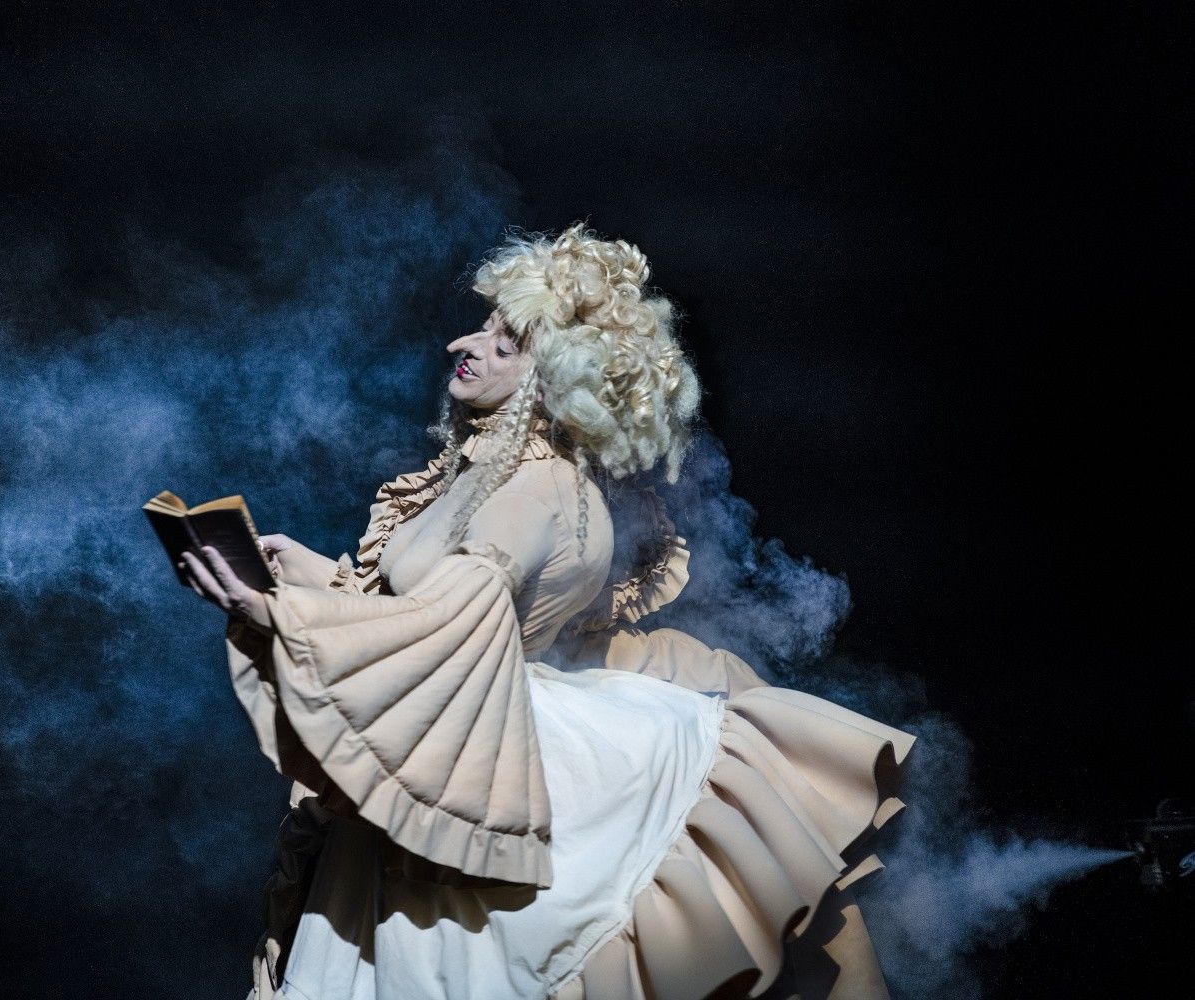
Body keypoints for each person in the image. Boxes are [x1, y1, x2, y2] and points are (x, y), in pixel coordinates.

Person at [178, 223, 915, 1000]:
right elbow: (419, 616)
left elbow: (448, 627)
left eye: (508, 342)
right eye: (484, 327)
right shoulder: (486, 476)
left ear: (560, 379)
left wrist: (283, 616)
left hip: (490, 757)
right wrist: (307, 581)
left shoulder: (539, 489)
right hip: (453, 742)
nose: (467, 344)